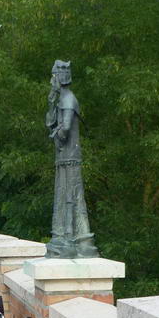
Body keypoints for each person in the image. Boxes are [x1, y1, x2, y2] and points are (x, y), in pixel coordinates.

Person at [45, 60, 98, 259]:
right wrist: (51, 101)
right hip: (63, 158)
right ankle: (63, 236)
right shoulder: (60, 100)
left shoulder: (69, 100)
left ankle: (75, 239)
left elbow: (65, 128)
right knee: (63, 195)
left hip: (70, 158)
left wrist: (56, 136)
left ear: (60, 77)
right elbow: (50, 121)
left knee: (71, 197)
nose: (52, 81)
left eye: (53, 76)